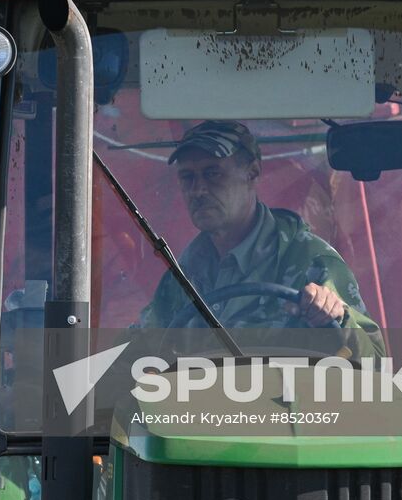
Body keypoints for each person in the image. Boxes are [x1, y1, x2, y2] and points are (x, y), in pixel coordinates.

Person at [138, 120, 386, 357]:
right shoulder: (182, 277)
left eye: (212, 174)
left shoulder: (312, 264)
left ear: (252, 172)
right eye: (187, 178)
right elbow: (128, 359)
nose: (198, 190)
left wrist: (338, 318)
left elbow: (375, 371)